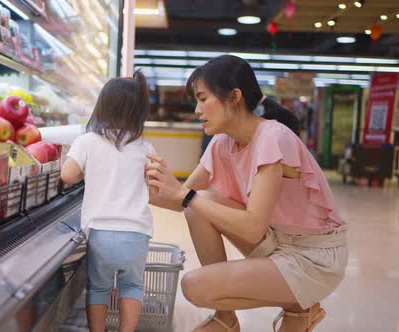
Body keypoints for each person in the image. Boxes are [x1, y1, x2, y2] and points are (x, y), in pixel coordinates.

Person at [145, 55, 348, 332]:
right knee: (197, 203)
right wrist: (124, 177)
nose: (196, 109)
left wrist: (184, 194)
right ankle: (227, 319)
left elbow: (252, 228)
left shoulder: (272, 137)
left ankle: (299, 306)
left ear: (234, 97)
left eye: (203, 99)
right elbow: (179, 200)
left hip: (312, 257)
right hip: (278, 240)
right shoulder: (222, 142)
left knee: (194, 286)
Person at [61, 70, 156, 332]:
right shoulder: (146, 148)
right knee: (133, 287)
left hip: (100, 233)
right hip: (137, 233)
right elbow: (156, 188)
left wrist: (80, 166)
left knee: (99, 288)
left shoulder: (87, 141)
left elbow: (67, 176)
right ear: (139, 113)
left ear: (101, 106)